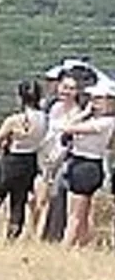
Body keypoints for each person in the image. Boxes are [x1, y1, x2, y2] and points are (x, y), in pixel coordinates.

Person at [0, 80, 47, 240]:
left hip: (11, 161)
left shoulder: (15, 119)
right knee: (18, 201)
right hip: (30, 161)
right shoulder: (44, 118)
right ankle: (12, 236)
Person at [53, 79, 115, 248]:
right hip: (80, 164)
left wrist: (83, 113)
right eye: (92, 98)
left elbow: (66, 127)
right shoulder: (94, 119)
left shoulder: (105, 122)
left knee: (74, 214)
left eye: (98, 99)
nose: (93, 102)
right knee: (83, 212)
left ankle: (65, 247)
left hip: (87, 166)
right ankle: (83, 244)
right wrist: (87, 113)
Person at [36, 73, 84, 243]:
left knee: (55, 197)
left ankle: (52, 235)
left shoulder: (78, 113)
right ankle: (39, 233)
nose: (67, 92)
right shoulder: (54, 107)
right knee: (40, 198)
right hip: (45, 156)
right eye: (64, 87)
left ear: (77, 92)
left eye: (71, 89)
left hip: (63, 159)